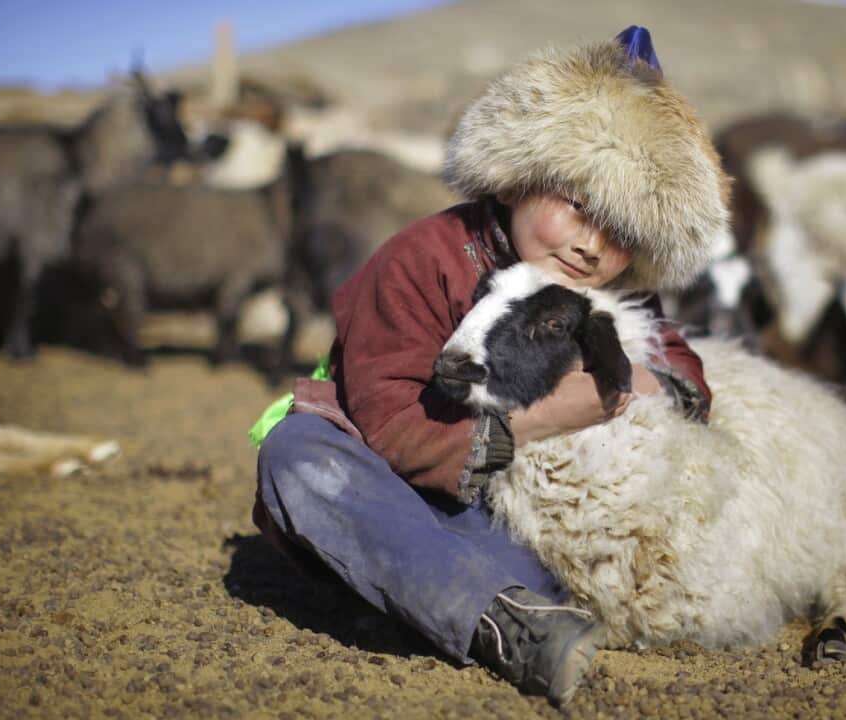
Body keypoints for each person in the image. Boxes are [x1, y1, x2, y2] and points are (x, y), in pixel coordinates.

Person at [253, 25, 730, 705]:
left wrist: (637, 382)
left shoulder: (611, 292)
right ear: (516, 179)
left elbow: (685, 373)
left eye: (623, 231)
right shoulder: (423, 258)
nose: (593, 248)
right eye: (579, 205)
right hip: (407, 503)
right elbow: (390, 423)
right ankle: (506, 623)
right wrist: (541, 416)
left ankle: (435, 602)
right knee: (298, 454)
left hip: (522, 531)